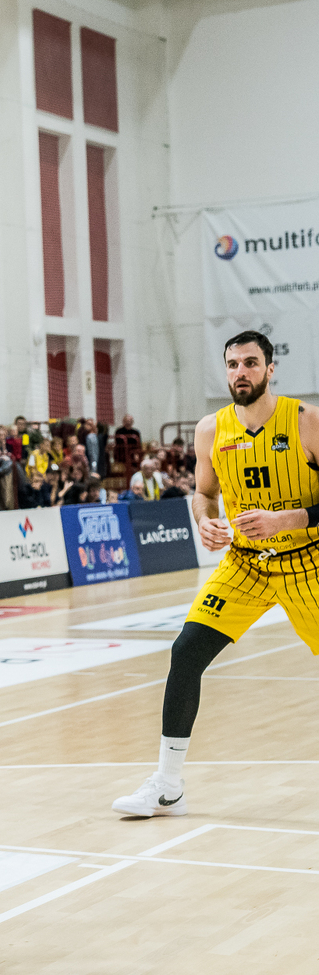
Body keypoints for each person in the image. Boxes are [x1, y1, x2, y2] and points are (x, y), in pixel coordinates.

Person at [112, 331, 319, 819]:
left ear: (270, 369)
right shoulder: (210, 429)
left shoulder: (307, 421)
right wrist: (204, 520)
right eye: (232, 364)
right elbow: (204, 493)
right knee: (186, 651)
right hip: (246, 563)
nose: (240, 372)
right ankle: (168, 786)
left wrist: (289, 520)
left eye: (250, 363)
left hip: (309, 559)